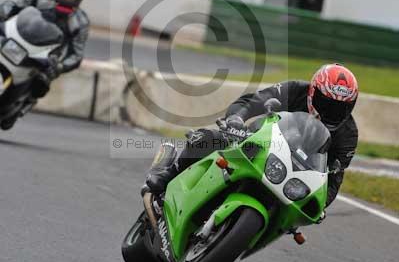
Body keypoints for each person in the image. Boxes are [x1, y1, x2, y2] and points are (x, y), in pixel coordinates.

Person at [144, 63, 359, 208]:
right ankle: (170, 172)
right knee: (209, 138)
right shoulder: (294, 90)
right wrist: (236, 119)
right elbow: (251, 102)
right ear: (313, 92)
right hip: (258, 142)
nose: (331, 112)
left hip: (289, 175)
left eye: (339, 108)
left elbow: (333, 177)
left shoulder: (348, 135)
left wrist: (319, 205)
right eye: (326, 103)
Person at [0, 0, 89, 126]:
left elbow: (76, 54)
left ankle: (24, 102)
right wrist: (6, 9)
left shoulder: (81, 21)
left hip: (48, 56)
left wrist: (60, 66)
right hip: (22, 38)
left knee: (42, 81)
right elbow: (18, 6)